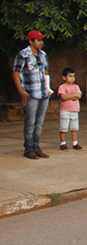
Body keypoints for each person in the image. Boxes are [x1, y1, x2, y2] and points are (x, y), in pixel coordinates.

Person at [12, 30, 51, 159]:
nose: (41, 42)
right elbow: (16, 72)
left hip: (43, 92)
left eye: (41, 40)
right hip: (31, 93)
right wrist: (21, 91)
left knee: (39, 122)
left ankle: (36, 146)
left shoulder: (43, 54)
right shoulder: (23, 55)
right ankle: (28, 147)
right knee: (30, 122)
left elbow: (45, 71)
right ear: (31, 41)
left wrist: (48, 87)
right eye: (38, 40)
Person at [57, 67, 83, 150]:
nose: (72, 78)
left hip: (75, 110)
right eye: (70, 76)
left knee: (74, 127)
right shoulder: (62, 87)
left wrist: (70, 96)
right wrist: (73, 95)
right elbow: (63, 97)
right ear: (64, 77)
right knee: (63, 127)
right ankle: (62, 143)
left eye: (73, 76)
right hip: (65, 110)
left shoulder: (76, 86)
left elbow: (79, 95)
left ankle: (75, 142)